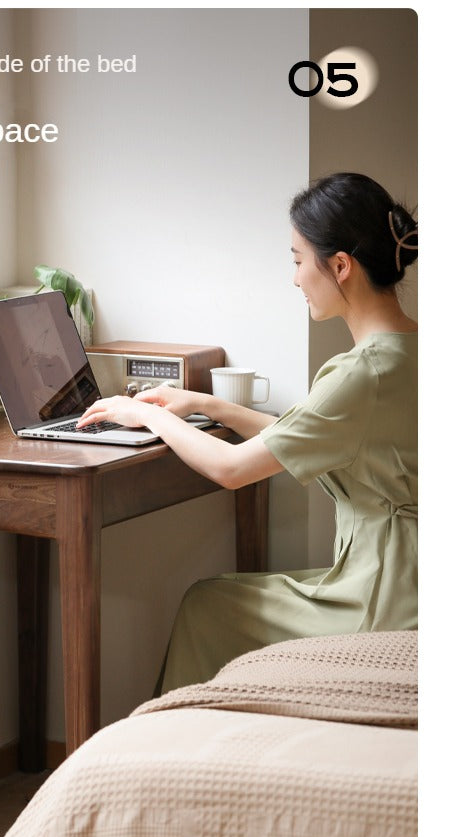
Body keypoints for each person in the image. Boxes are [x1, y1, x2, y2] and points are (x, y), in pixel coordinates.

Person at [76, 172, 418, 691]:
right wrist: (209, 405)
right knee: (222, 599)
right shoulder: (410, 353)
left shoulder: (361, 374)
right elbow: (314, 432)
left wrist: (149, 415)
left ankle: (180, 751)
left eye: (298, 260)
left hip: (384, 601)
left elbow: (232, 469)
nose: (296, 278)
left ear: (341, 266)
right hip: (415, 583)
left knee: (208, 603)